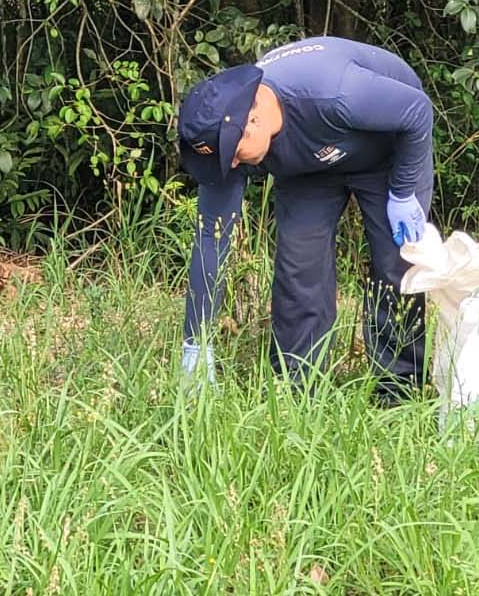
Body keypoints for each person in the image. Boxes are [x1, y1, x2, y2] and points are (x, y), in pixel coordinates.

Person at [176, 36, 435, 401]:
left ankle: (399, 390)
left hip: (387, 148)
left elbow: (416, 111)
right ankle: (296, 390)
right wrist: (196, 342)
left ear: (253, 119)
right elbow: (211, 239)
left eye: (233, 156)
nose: (231, 166)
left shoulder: (335, 93)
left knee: (396, 266)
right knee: (299, 269)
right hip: (308, 167)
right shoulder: (226, 139)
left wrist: (405, 191)